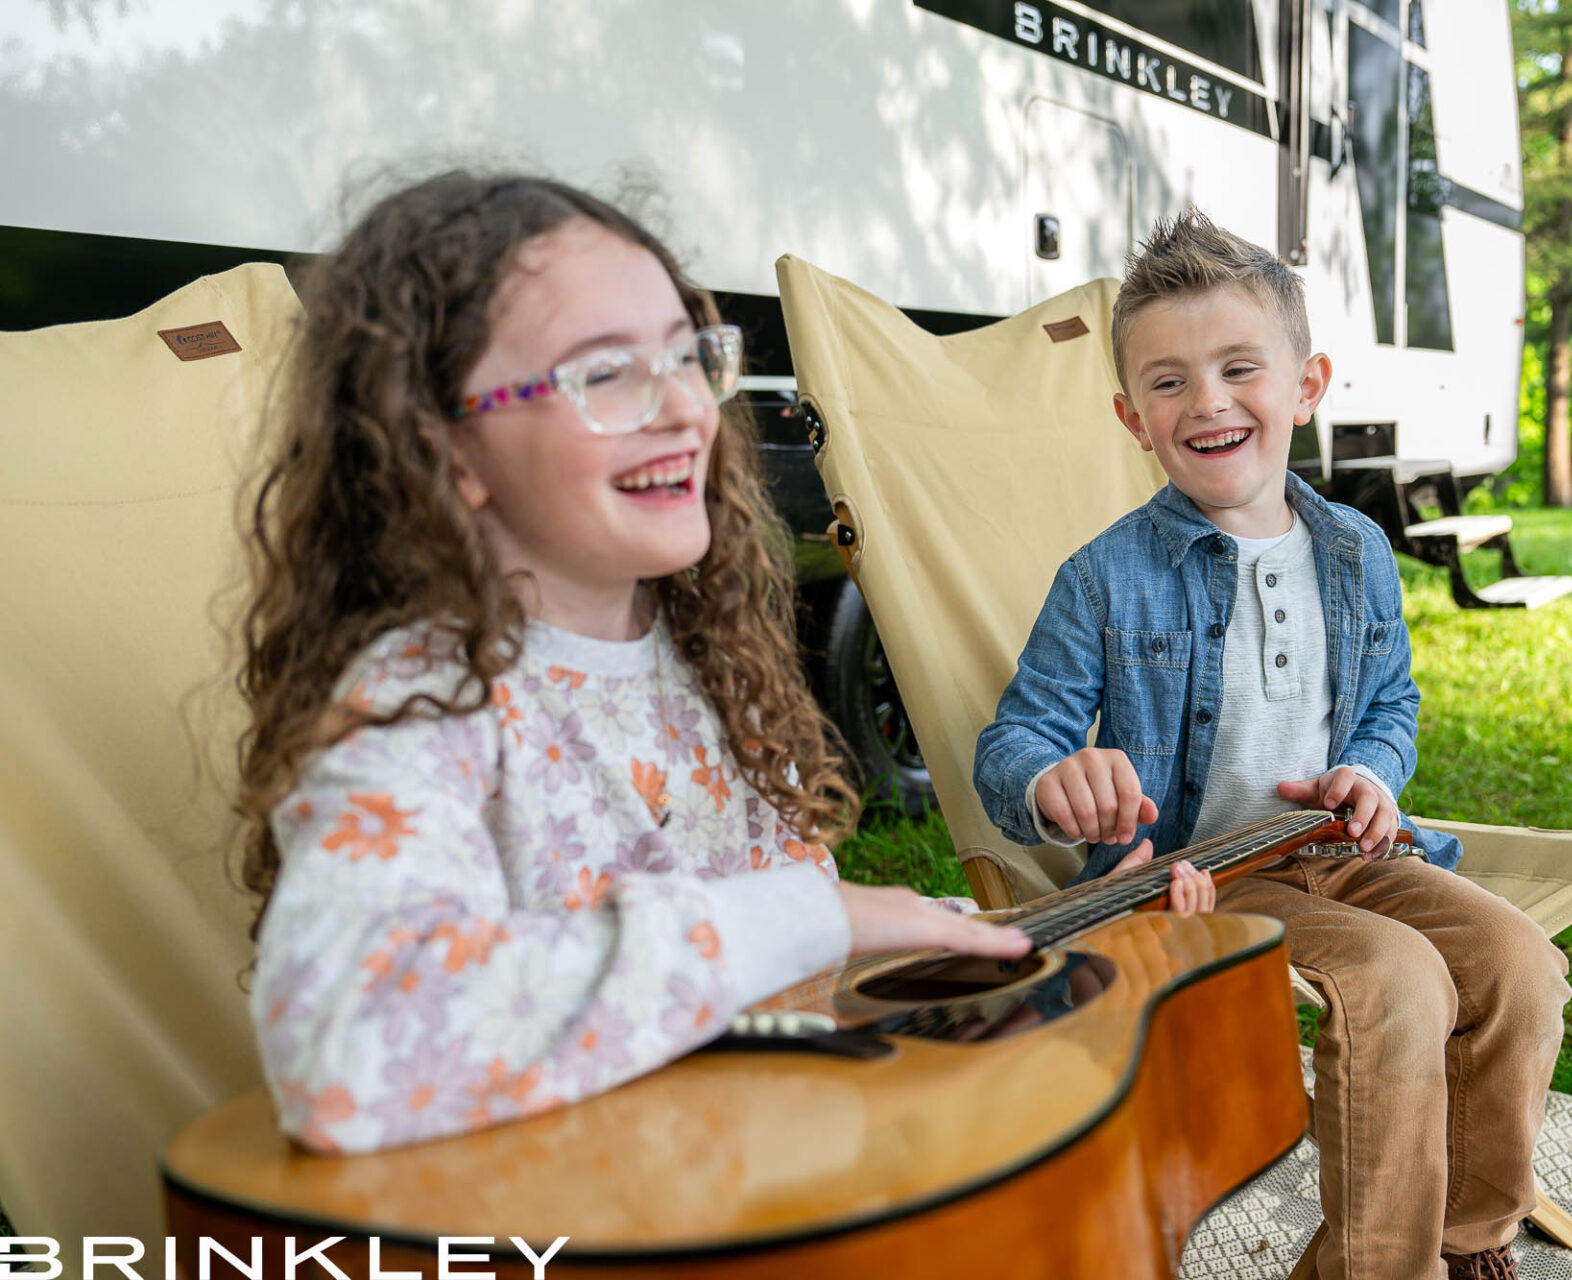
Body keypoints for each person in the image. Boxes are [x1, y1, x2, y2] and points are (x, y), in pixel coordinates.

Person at [234, 171, 1035, 1155]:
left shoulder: (706, 654)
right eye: (605, 372)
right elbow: (349, 1044)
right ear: (444, 452)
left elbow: (801, 948)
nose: (685, 409)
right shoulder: (419, 706)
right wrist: (804, 918)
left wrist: (954, 935)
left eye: (689, 356)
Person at [973, 210, 1570, 1280]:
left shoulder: (1355, 549)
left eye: (1239, 366)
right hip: (1204, 873)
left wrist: (1376, 772)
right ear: (1130, 415)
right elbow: (1016, 740)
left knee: (1522, 964)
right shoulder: (1106, 576)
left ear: (1306, 384)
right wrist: (1054, 780)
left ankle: (1471, 1230)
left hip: (1344, 849)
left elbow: (1393, 701)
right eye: (1168, 380)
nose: (1205, 399)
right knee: (1398, 983)